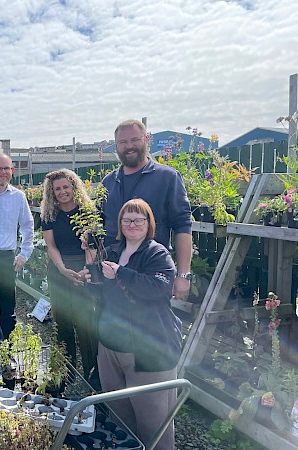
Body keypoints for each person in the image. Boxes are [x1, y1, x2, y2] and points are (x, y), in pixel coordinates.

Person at [90, 198, 182, 450]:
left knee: (154, 422)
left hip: (146, 350)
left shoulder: (157, 253)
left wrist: (120, 272)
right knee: (119, 416)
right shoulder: (112, 251)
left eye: (138, 219)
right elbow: (102, 292)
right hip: (111, 346)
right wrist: (88, 276)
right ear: (119, 224)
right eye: (126, 219)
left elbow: (157, 288)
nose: (132, 224)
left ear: (148, 223)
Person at [101, 119, 193, 300]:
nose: (129, 146)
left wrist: (183, 275)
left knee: (151, 327)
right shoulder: (108, 183)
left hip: (150, 276)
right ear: (116, 146)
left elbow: (183, 226)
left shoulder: (167, 177)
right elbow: (98, 225)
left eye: (135, 139)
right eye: (122, 142)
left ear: (146, 140)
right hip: (112, 278)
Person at [40, 169, 97, 383]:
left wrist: (87, 269)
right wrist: (62, 269)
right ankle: (65, 374)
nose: (62, 192)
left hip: (84, 269)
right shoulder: (50, 214)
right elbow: (51, 245)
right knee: (62, 322)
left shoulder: (87, 211)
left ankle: (91, 374)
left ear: (74, 187)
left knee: (85, 323)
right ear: (52, 193)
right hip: (59, 269)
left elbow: (91, 245)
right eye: (57, 189)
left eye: (66, 187)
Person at [0, 153, 34, 337]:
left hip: (6, 258)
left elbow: (28, 226)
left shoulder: (18, 197)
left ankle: (6, 354)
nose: (3, 172)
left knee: (7, 308)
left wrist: (24, 254)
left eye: (6, 168)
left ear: (12, 171)